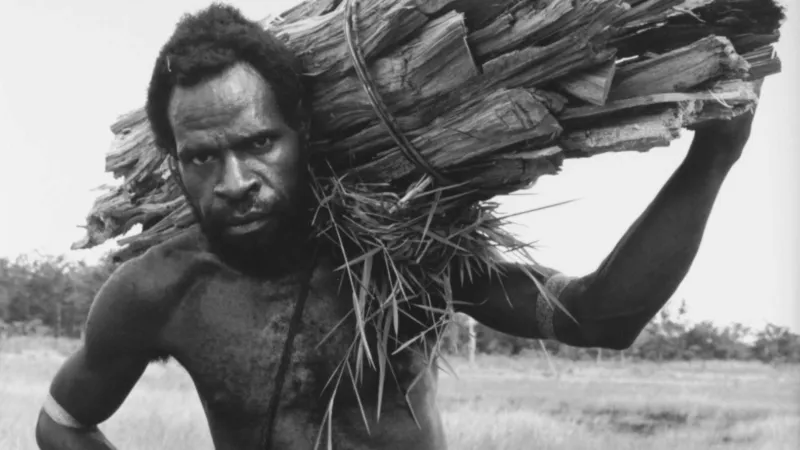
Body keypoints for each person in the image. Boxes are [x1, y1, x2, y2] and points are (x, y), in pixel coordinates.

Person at [34, 4, 761, 450]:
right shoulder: (159, 290)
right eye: (201, 157)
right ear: (174, 160)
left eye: (258, 144)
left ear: (301, 133)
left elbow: (599, 318)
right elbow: (60, 423)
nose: (233, 182)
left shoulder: (407, 252)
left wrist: (714, 158)